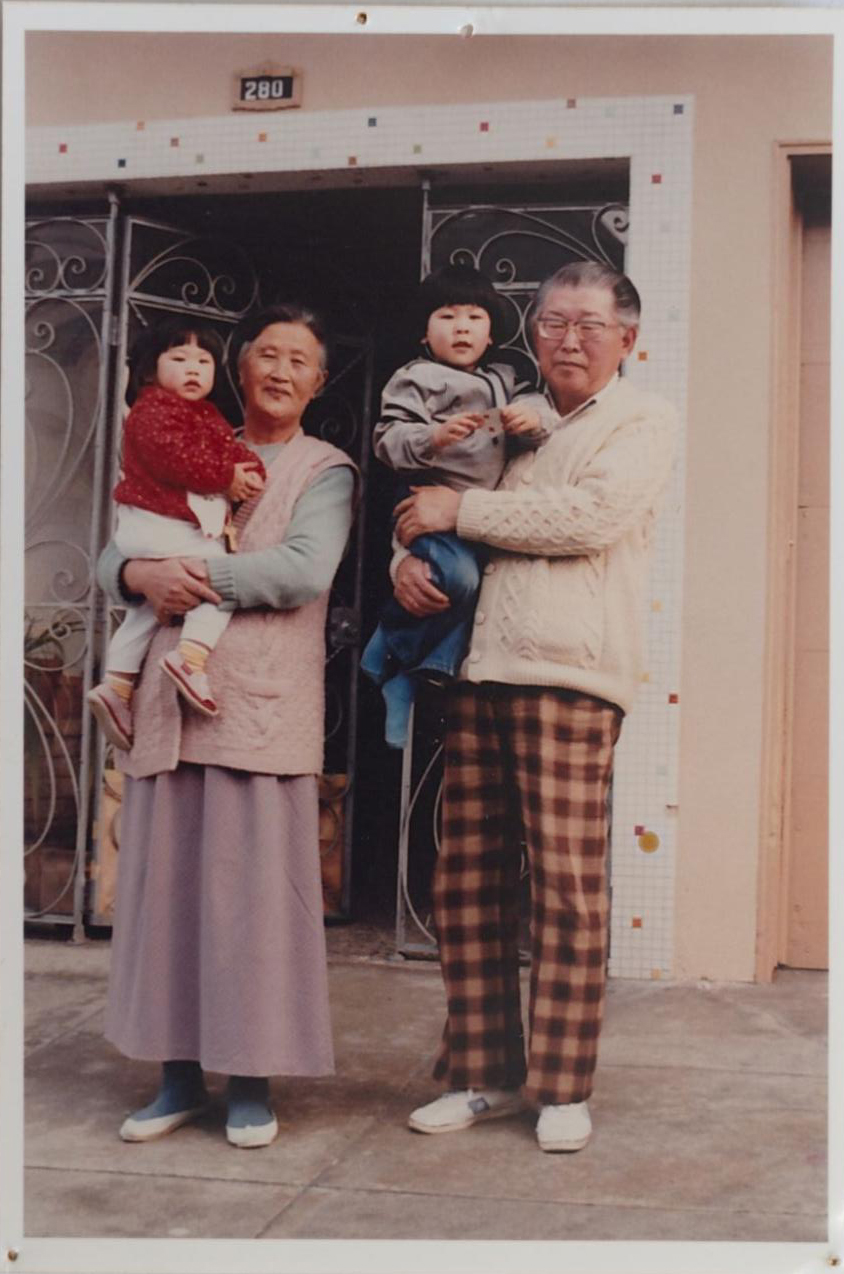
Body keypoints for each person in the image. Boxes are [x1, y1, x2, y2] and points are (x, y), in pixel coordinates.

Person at [391, 261, 676, 1153]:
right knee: (466, 883)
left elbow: (586, 519)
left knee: (565, 888)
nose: (568, 339)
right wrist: (411, 562)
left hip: (573, 675)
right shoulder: (516, 424)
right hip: (482, 670)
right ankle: (480, 1073)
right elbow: (439, 514)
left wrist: (459, 509)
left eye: (590, 324)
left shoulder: (643, 419)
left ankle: (559, 1086)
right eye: (553, 322)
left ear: (628, 339)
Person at [94, 303, 356, 1149]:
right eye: (267, 355)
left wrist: (183, 575)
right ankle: (174, 1079)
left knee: (254, 906)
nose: (281, 372)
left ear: (320, 380)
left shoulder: (325, 469)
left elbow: (300, 570)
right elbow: (115, 549)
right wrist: (139, 570)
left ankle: (249, 1080)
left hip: (261, 708)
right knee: (166, 897)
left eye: (300, 361)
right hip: (172, 709)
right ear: (239, 367)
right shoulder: (184, 437)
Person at [360, 264, 555, 748]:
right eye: (446, 316)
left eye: (475, 316)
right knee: (460, 581)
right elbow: (387, 438)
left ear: (491, 334)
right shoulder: (416, 379)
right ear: (425, 333)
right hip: (428, 505)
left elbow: (545, 420)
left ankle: (415, 671)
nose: (462, 326)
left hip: (481, 518)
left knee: (479, 593)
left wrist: (529, 422)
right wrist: (432, 437)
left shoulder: (506, 379)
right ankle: (391, 647)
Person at [87, 320, 267, 749]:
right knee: (217, 579)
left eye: (203, 361)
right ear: (150, 371)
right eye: (179, 358)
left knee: (145, 612)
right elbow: (175, 459)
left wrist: (251, 470)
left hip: (156, 530)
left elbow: (231, 449)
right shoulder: (153, 410)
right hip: (158, 524)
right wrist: (227, 478)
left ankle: (117, 686)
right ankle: (190, 659)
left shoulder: (204, 414)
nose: (194, 369)